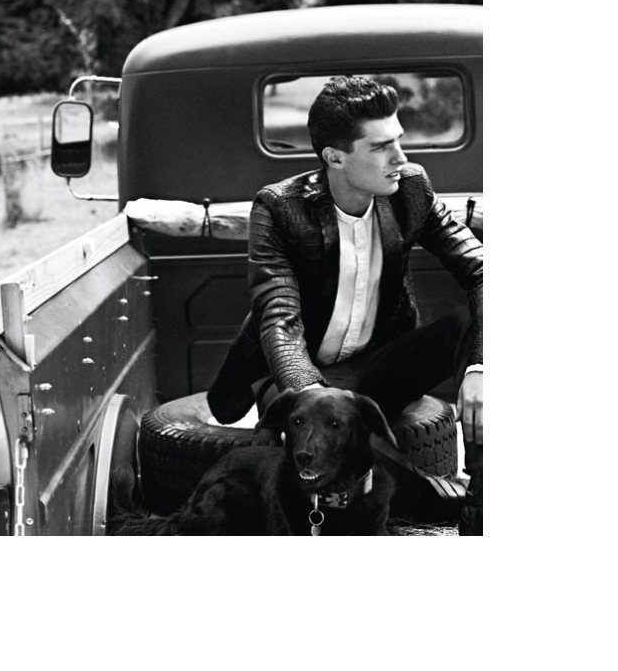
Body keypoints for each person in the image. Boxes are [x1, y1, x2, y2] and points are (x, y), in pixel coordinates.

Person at [206, 76, 483, 535]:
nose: (401, 158)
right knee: (391, 483)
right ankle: (429, 499)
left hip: (378, 364)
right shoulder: (279, 208)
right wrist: (319, 402)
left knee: (479, 324)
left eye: (399, 140)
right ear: (335, 157)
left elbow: (483, 272)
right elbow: (279, 321)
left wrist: (480, 368)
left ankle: (483, 505)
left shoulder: (412, 189)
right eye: (382, 147)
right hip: (299, 378)